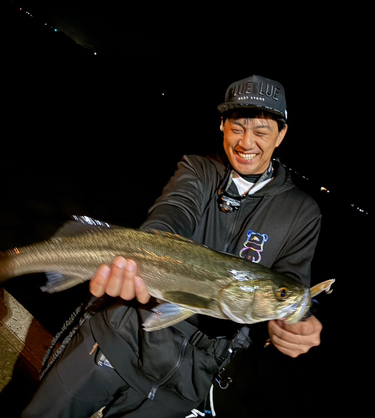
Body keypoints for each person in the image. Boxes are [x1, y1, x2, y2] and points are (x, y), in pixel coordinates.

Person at [22, 75, 323, 418]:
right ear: (223, 126)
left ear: (281, 134)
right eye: (237, 127)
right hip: (116, 340)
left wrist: (298, 322)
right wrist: (141, 258)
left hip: (183, 385)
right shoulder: (196, 169)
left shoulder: (302, 212)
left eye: (261, 131)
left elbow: (290, 282)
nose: (246, 142)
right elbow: (171, 214)